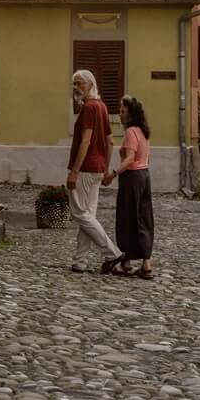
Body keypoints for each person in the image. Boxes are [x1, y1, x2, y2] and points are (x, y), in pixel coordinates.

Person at [66, 70, 121, 274]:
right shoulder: (102, 107)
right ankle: (80, 261)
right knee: (88, 216)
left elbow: (86, 141)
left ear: (90, 84)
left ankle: (113, 253)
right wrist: (105, 167)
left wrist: (74, 171)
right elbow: (110, 141)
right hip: (97, 168)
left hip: (86, 169)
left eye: (79, 83)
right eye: (74, 84)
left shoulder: (89, 108)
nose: (76, 88)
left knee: (79, 213)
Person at [103, 95, 155, 279]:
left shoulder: (131, 132)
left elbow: (130, 159)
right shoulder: (143, 131)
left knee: (127, 219)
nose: (120, 114)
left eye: (123, 111)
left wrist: (113, 173)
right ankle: (145, 263)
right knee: (143, 218)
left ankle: (126, 262)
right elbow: (146, 157)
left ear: (131, 114)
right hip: (145, 175)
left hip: (132, 177)